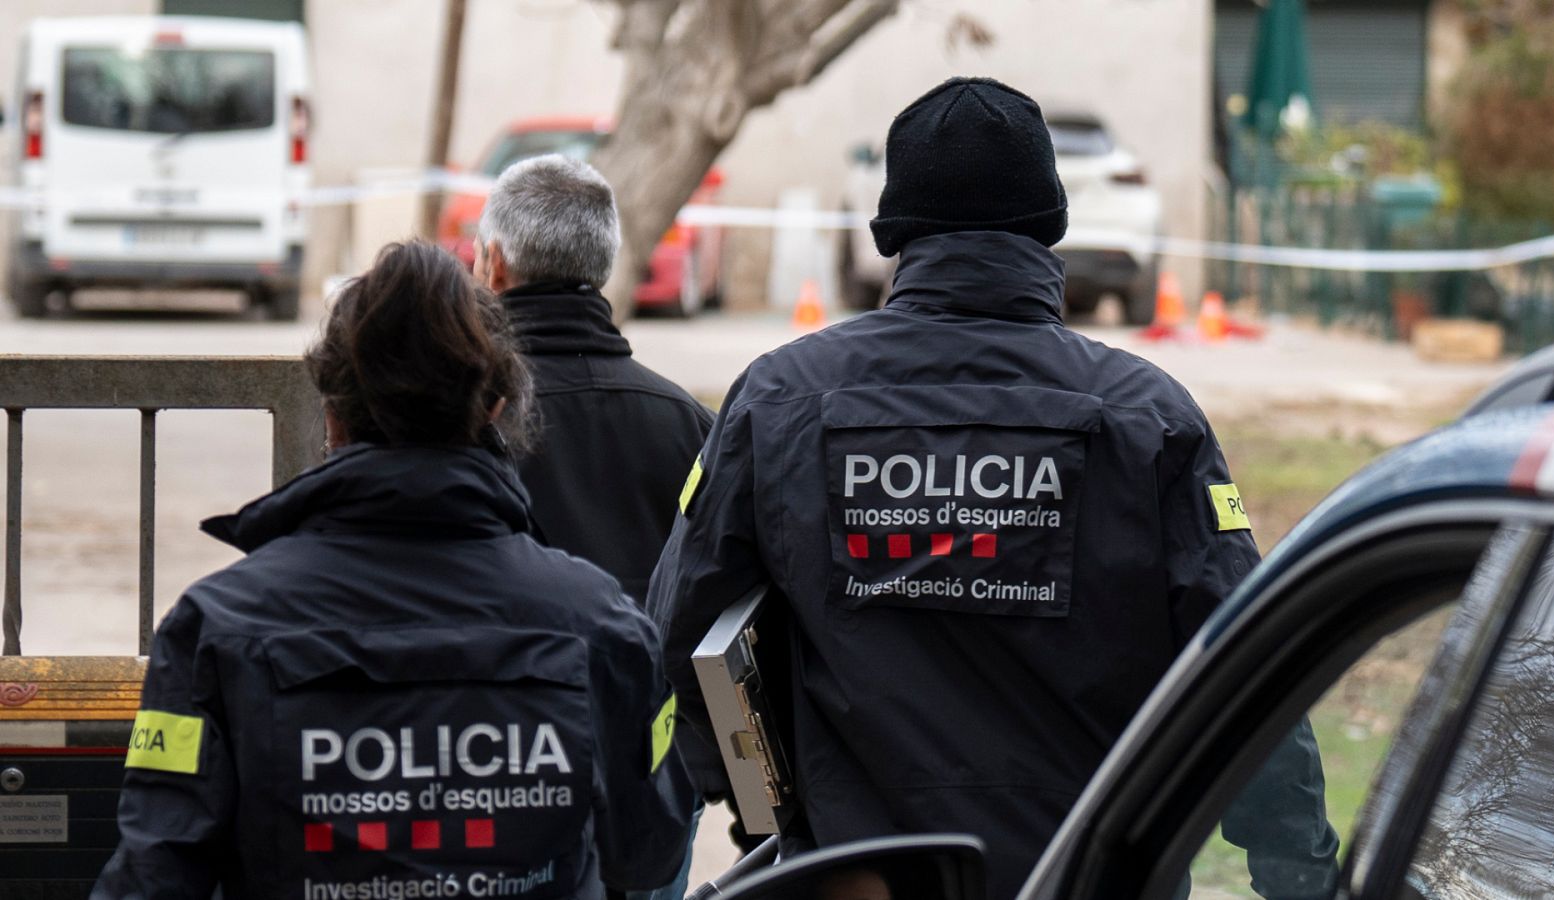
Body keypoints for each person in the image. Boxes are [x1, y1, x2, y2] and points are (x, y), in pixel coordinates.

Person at [647, 78, 1338, 899]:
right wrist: (1300, 872)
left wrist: (761, 804)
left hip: (855, 878)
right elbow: (1248, 666)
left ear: (895, 230)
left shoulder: (779, 400)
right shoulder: (1149, 420)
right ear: (1050, 224)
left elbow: (679, 631)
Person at [93, 241, 694, 899]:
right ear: (495, 408)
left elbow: (153, 877)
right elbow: (650, 854)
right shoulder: (598, 619)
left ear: (334, 414)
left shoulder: (217, 625)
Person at [473, 154, 714, 605]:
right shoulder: (692, 424)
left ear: (495, 263)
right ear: (602, 265)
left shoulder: (461, 420)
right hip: (654, 674)